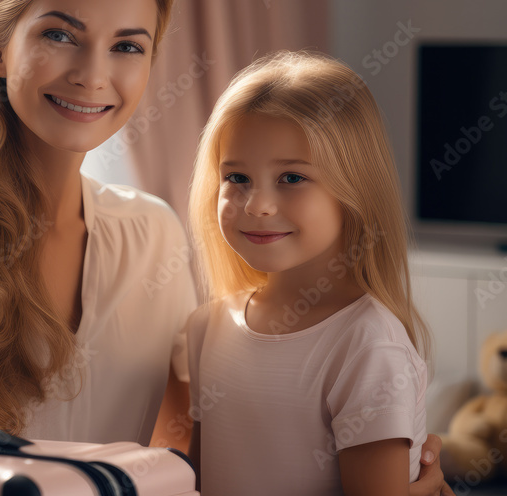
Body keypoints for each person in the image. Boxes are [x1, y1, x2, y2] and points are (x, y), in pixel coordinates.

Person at [0, 0, 451, 492]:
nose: (93, 74)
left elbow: (182, 458)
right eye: (60, 34)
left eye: (127, 46)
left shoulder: (154, 235)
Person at [185, 50, 443, 495]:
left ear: (354, 187)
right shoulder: (206, 326)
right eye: (237, 177)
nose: (257, 205)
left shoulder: (367, 345)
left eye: (291, 178)